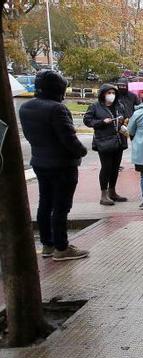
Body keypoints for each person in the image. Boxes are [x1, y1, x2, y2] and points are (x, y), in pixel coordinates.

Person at [19, 70, 89, 261]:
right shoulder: (57, 109)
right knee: (61, 206)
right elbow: (68, 138)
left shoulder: (26, 108)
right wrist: (82, 151)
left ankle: (48, 244)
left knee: (45, 203)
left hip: (40, 162)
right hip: (62, 165)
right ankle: (62, 247)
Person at [84, 83, 128, 206]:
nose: (111, 95)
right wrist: (102, 122)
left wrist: (124, 121)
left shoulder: (119, 105)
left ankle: (112, 191)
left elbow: (125, 117)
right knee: (106, 167)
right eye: (109, 93)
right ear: (103, 94)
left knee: (115, 167)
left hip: (119, 140)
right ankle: (104, 195)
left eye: (113, 93)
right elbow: (87, 121)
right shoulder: (95, 106)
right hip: (104, 141)